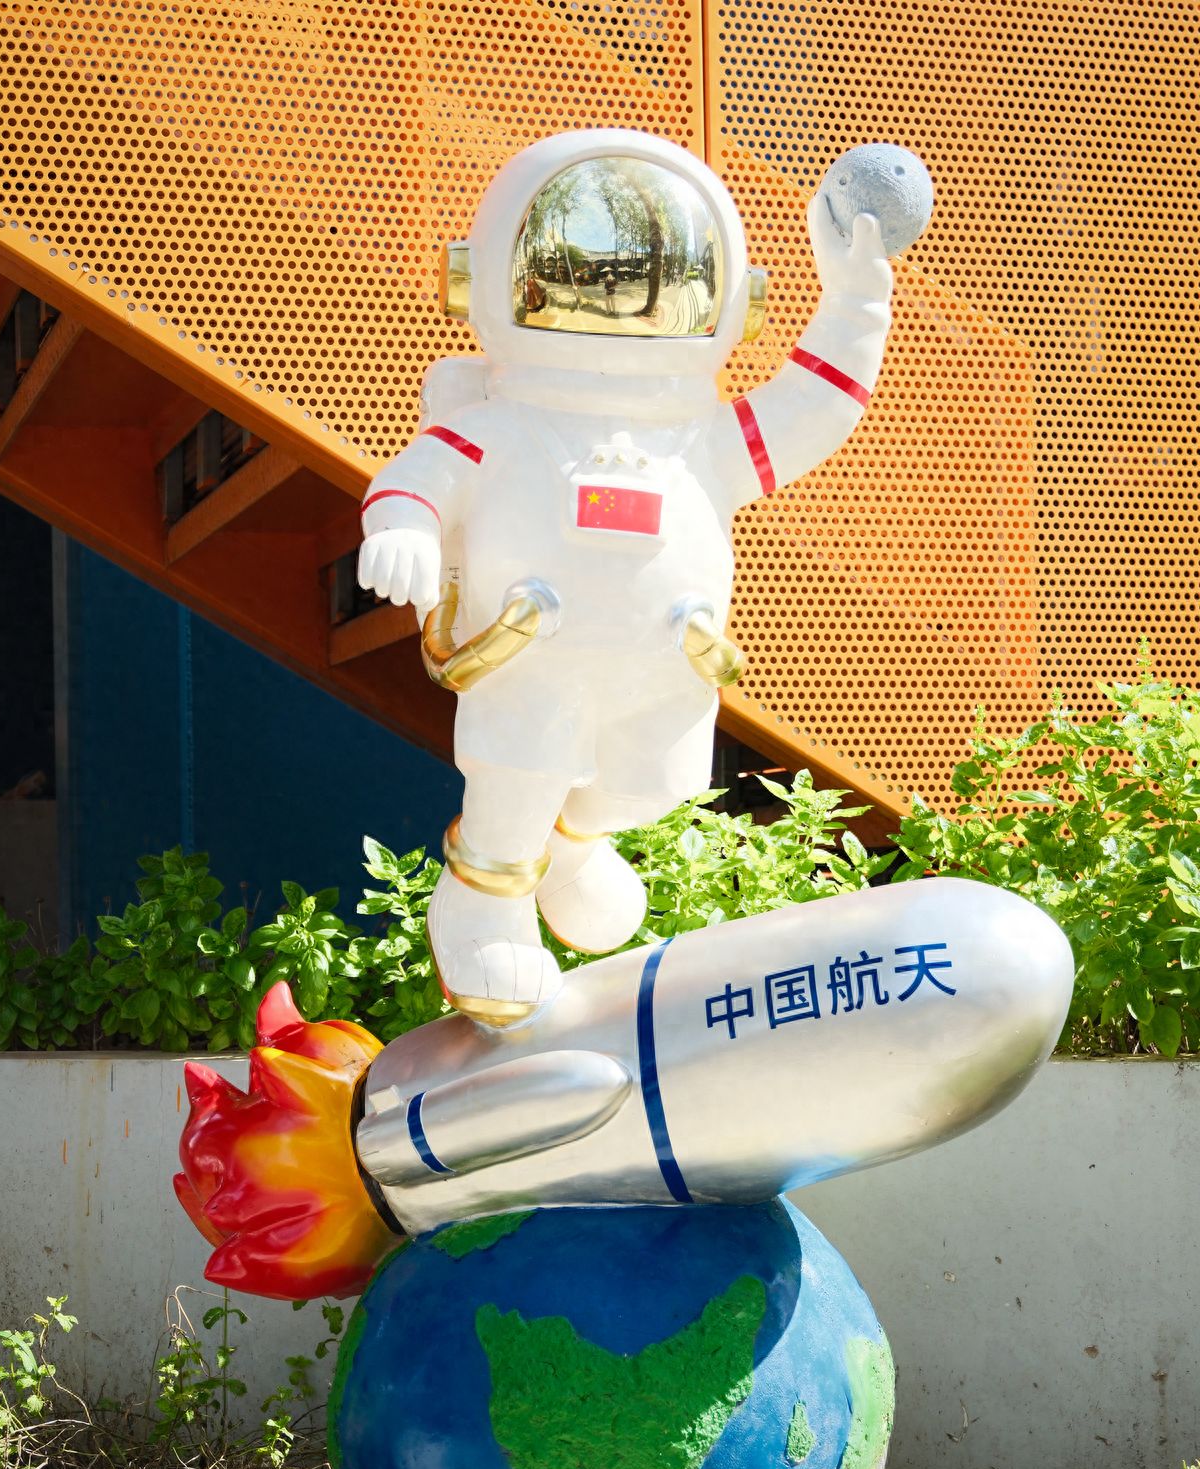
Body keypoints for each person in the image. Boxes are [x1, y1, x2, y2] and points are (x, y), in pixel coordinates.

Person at [358, 129, 892, 1028]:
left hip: (665, 668)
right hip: (531, 659)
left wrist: (854, 302)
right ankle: (486, 894)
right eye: (577, 270)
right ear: (484, 279)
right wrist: (402, 523)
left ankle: (572, 843)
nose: (618, 298)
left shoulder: (707, 435)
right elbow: (417, 475)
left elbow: (817, 404)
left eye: (652, 272)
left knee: (652, 786)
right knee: (520, 770)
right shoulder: (500, 423)